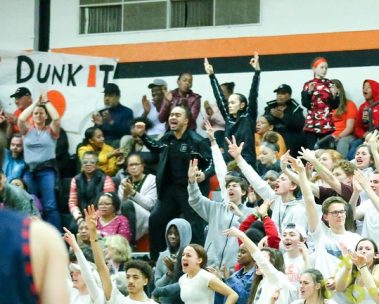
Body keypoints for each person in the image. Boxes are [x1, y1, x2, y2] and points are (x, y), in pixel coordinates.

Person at [142, 105, 214, 258]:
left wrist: (204, 174)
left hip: (190, 190)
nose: (172, 117)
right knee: (155, 219)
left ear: (186, 121)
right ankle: (157, 261)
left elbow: (211, 163)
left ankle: (199, 259)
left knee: (194, 225)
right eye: (171, 115)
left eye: (177, 115)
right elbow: (155, 147)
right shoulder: (168, 138)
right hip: (170, 189)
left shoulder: (198, 141)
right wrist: (143, 135)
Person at [206, 53, 261, 165]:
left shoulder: (249, 116)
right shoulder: (228, 118)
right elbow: (220, 96)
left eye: (233, 102)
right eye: (229, 102)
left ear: (242, 105)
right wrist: (211, 75)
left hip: (247, 162)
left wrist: (257, 72)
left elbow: (253, 94)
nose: (229, 105)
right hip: (229, 162)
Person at [17, 93, 62, 228]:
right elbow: (20, 119)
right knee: (31, 205)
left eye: (42, 113)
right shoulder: (26, 130)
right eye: (36, 113)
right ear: (32, 116)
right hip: (29, 172)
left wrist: (46, 102)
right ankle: (34, 235)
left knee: (50, 205)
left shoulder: (51, 130)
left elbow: (57, 118)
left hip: (46, 171)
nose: (38, 115)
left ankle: (58, 236)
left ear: (46, 116)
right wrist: (35, 103)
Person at [301, 57, 340, 147]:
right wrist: (309, 93)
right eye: (321, 67)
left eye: (326, 68)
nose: (324, 70)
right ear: (314, 69)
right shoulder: (308, 84)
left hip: (326, 122)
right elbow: (305, 103)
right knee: (311, 150)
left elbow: (335, 106)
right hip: (312, 123)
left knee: (326, 150)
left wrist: (335, 96)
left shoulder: (330, 84)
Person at [265, 83, 306, 154]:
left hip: (291, 141)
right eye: (278, 93)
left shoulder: (295, 108)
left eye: (283, 93)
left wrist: (282, 116)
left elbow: (300, 124)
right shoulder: (270, 107)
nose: (279, 95)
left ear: (289, 96)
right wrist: (270, 116)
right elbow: (265, 122)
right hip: (274, 138)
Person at [93, 83, 134, 147]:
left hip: (117, 142)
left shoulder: (127, 112)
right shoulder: (101, 112)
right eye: (105, 96)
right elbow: (95, 134)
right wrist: (98, 126)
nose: (107, 99)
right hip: (102, 142)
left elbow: (128, 133)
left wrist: (111, 122)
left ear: (118, 97)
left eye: (110, 96)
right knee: (82, 145)